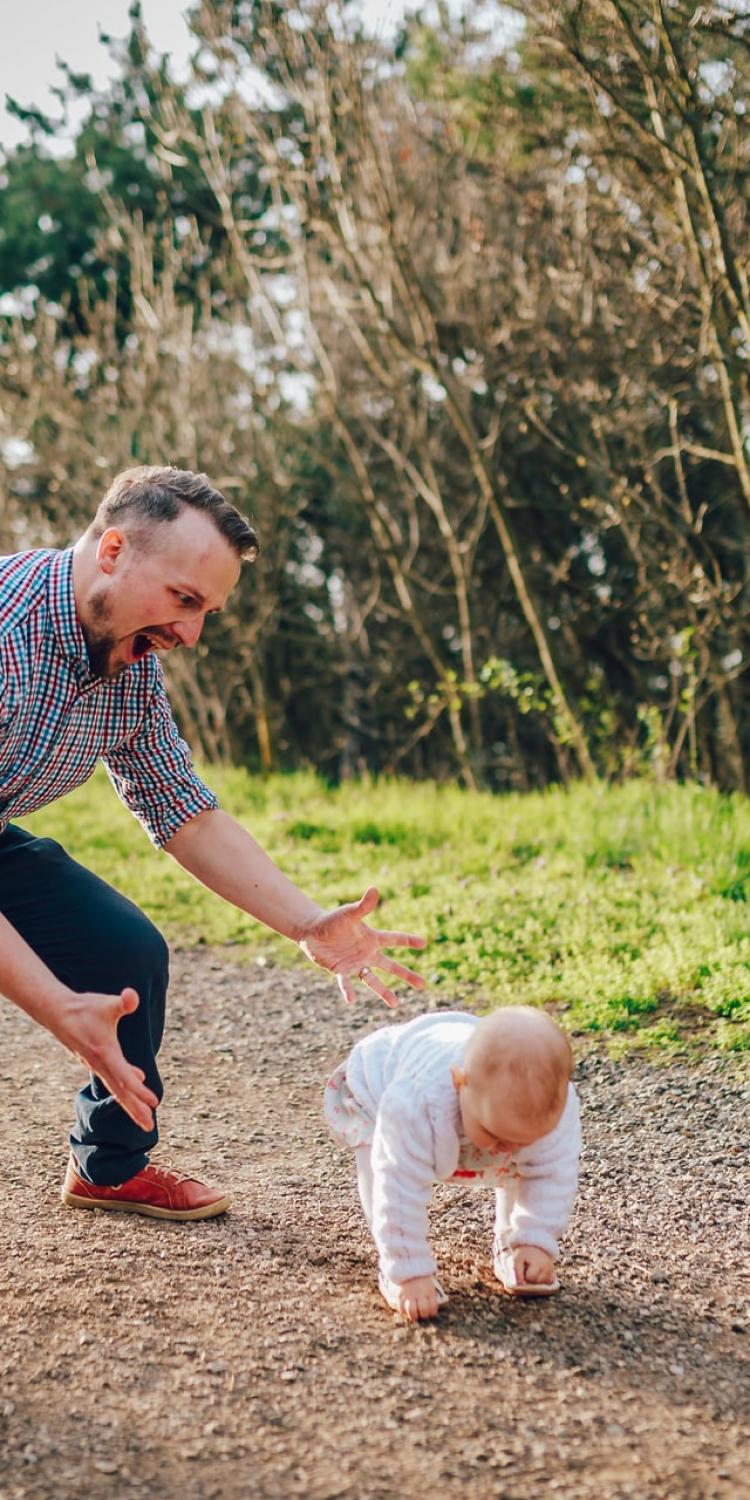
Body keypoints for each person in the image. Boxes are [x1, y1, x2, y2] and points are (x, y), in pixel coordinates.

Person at [0, 464, 425, 1221]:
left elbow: (182, 811)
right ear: (113, 553)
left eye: (207, 612)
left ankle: (108, 1166)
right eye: (184, 599)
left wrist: (306, 922)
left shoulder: (127, 663)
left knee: (126, 950)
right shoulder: (7, 636)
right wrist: (57, 1004)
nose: (191, 634)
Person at [324, 1005, 581, 1321]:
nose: (509, 1148)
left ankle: (514, 1247)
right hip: (377, 1084)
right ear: (460, 1082)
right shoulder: (415, 1103)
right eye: (495, 1134)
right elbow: (398, 1185)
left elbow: (552, 1175)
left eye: (525, 1138)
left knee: (529, 1162)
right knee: (380, 1163)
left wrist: (536, 1241)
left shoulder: (552, 1109)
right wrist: (409, 1272)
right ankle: (393, 1268)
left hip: (459, 1067)